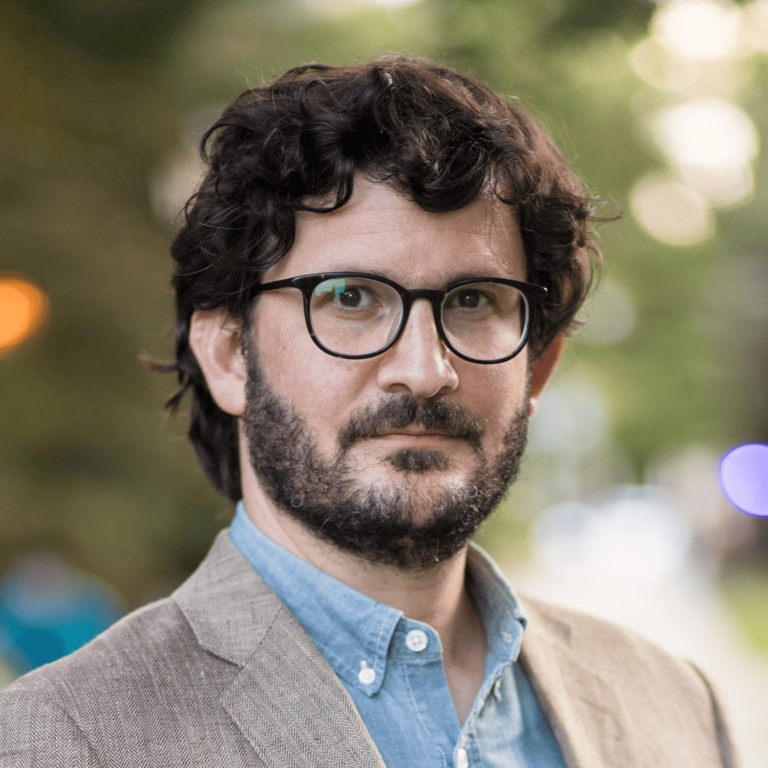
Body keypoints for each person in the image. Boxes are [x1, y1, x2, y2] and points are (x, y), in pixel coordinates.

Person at [0, 56, 738, 768]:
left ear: (537, 366)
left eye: (475, 300)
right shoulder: (55, 742)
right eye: (350, 297)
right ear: (230, 356)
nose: (424, 370)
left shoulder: (675, 705)